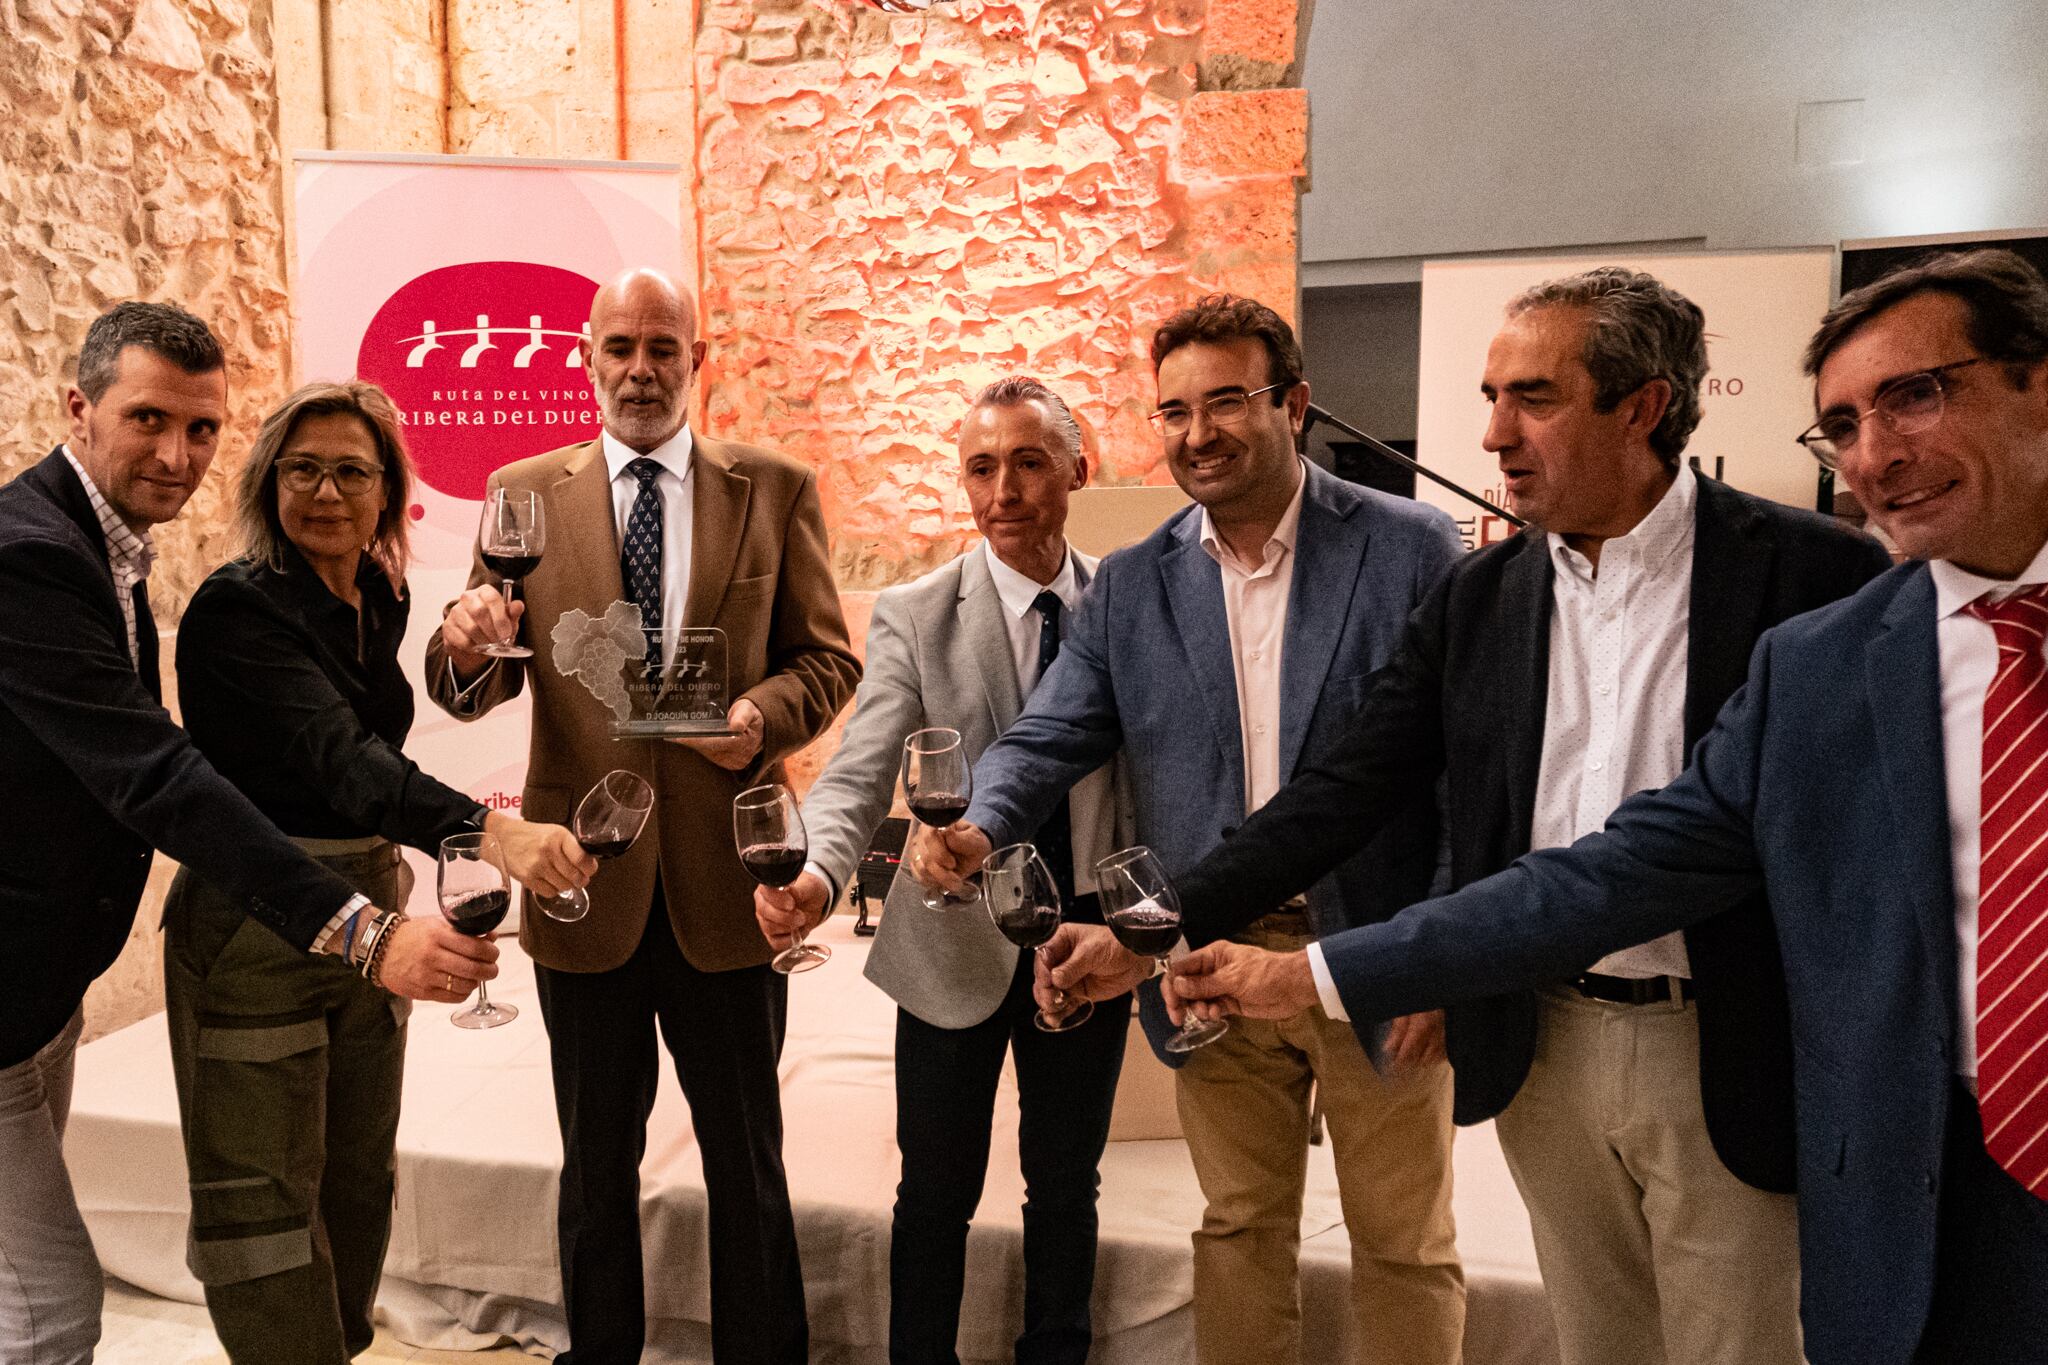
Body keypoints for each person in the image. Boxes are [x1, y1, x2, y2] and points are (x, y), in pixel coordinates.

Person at [1146, 249, 2048, 1365]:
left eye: (1532, 398)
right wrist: (1179, 915)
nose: (1491, 436)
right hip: (1544, 1037)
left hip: (1732, 1041)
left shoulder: (1822, 586)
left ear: (1644, 408)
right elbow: (1357, 787)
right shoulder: (1482, 595)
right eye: (1845, 424)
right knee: (1595, 1340)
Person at [913, 295, 1468, 1364]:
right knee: (1237, 1228)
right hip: (1204, 952)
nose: (1196, 433)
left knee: (1402, 1241)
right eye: (1172, 411)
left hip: (1369, 948)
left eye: (1226, 401)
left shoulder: (1408, 548)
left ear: (1294, 405)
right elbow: (1048, 731)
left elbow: (1461, 762)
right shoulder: (1132, 583)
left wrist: (1440, 947)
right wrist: (979, 827)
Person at [0, 302, 497, 1365]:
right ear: (78, 410)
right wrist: (391, 915)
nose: (175, 453)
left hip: (40, 983)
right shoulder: (43, 557)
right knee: (54, 1310)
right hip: (237, 932)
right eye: (147, 419)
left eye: (200, 429)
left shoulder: (364, 591)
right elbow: (169, 780)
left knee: (351, 1180)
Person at [427, 266, 860, 1365]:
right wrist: (464, 647)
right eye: (618, 347)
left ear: (697, 361)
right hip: (584, 878)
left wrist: (763, 714)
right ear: (586, 359)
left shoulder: (773, 487)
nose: (639, 369)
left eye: (662, 348)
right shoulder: (522, 493)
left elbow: (829, 658)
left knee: (746, 1164)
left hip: (728, 879)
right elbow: (473, 677)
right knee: (593, 1168)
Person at [162, 380, 593, 1363]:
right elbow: (344, 763)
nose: (323, 490)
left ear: (390, 493)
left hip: (366, 904)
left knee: (356, 1178)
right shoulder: (239, 609)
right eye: (301, 469)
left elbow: (388, 717)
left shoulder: (376, 591)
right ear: (268, 482)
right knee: (262, 1201)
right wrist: (494, 835)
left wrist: (455, 650)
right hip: (257, 916)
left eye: (350, 471)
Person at [755, 376, 1130, 1364]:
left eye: (1027, 462)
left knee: (1066, 1181)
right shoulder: (916, 614)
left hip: (1083, 939)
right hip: (946, 946)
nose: (1001, 488)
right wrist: (816, 875)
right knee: (933, 1188)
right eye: (979, 466)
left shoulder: (1128, 607)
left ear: (1076, 472)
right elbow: (857, 768)